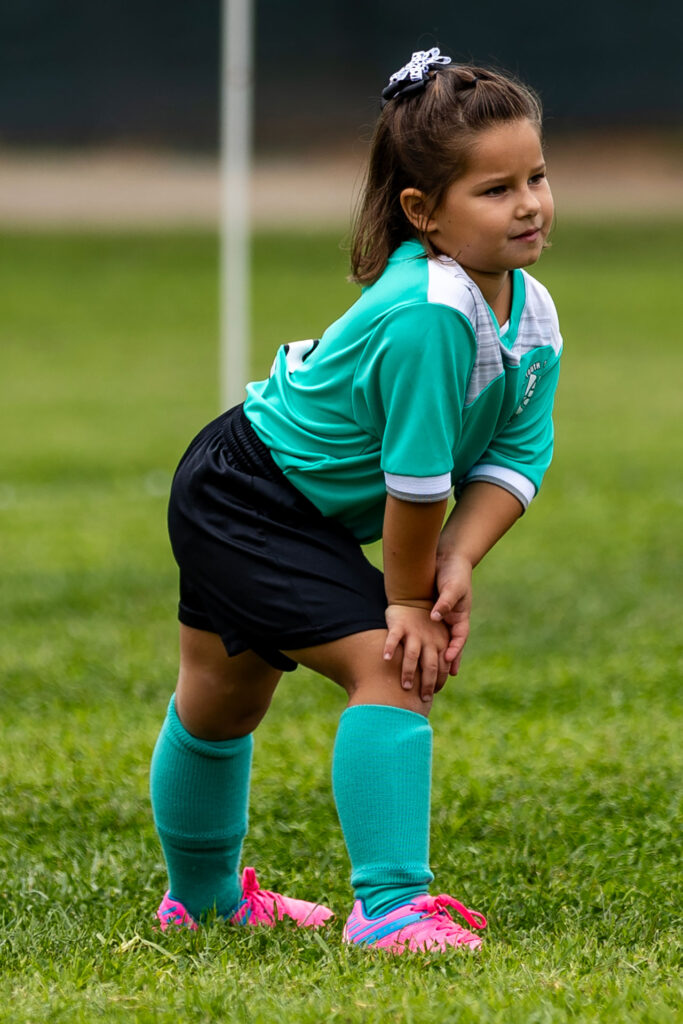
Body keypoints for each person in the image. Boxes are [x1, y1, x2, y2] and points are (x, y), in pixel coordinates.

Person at [150, 47, 562, 955]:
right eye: (494, 190)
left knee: (222, 700)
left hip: (251, 488)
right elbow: (413, 484)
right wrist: (407, 602)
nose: (528, 202)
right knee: (390, 664)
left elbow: (517, 452)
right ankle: (388, 909)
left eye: (534, 175)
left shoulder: (528, 309)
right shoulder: (428, 312)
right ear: (423, 212)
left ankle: (202, 900)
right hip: (247, 495)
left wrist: (457, 558)